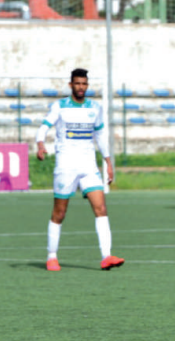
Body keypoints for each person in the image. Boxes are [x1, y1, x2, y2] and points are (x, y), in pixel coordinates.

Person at [35, 68, 125, 272]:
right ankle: (51, 256)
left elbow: (100, 136)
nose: (81, 87)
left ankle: (106, 256)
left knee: (101, 208)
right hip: (66, 165)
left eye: (84, 84)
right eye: (77, 84)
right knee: (59, 212)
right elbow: (44, 127)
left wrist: (108, 161)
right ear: (71, 85)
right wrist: (40, 143)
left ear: (87, 85)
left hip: (88, 166)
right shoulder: (60, 106)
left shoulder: (95, 107)